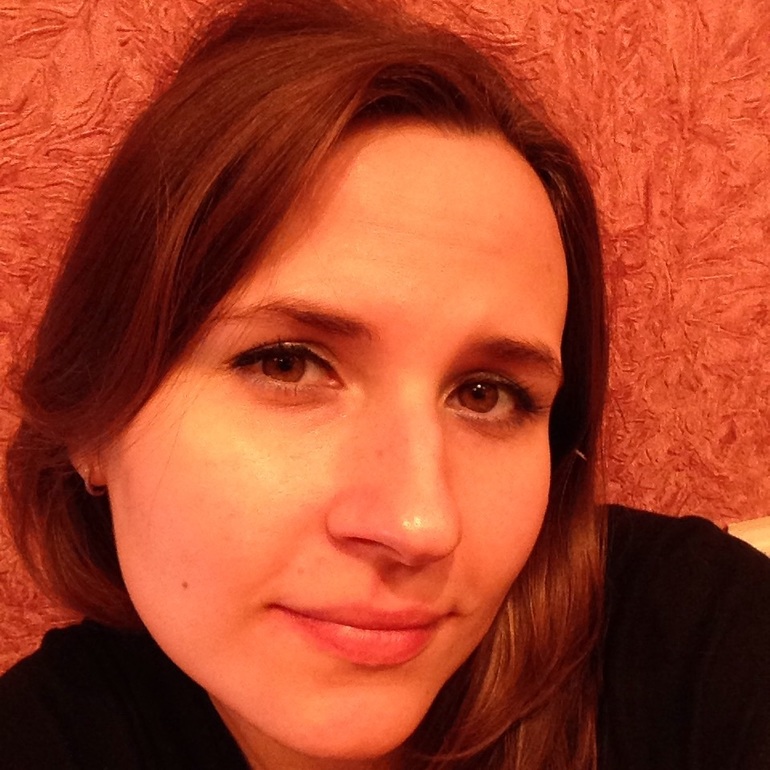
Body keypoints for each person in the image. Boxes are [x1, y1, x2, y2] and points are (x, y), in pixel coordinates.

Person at [1, 1, 768, 768]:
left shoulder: (695, 639)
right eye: (288, 363)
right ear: (95, 424)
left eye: (486, 393)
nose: (418, 524)